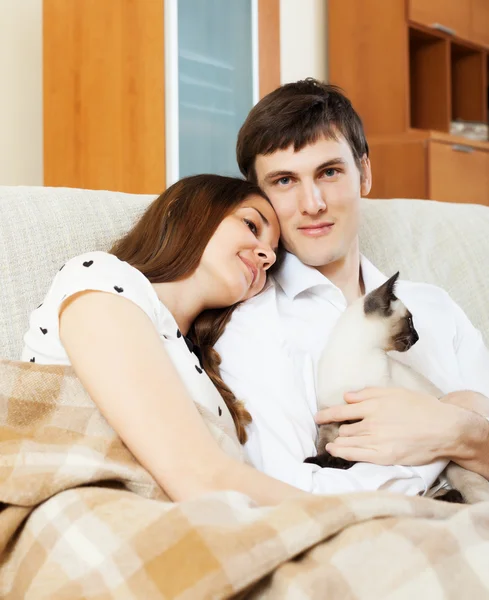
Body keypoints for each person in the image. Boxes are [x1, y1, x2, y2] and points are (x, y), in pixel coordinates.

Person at [215, 79, 489, 497]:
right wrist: (453, 431)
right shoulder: (251, 328)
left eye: (329, 172)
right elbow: (292, 492)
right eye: (285, 181)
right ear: (259, 197)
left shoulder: (436, 306)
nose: (312, 204)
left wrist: (463, 433)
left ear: (364, 174)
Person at [20, 174, 312, 506]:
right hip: (86, 512)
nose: (268, 257)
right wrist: (350, 514)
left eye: (273, 254)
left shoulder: (208, 367)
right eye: (251, 225)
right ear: (183, 210)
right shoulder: (102, 276)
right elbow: (200, 476)